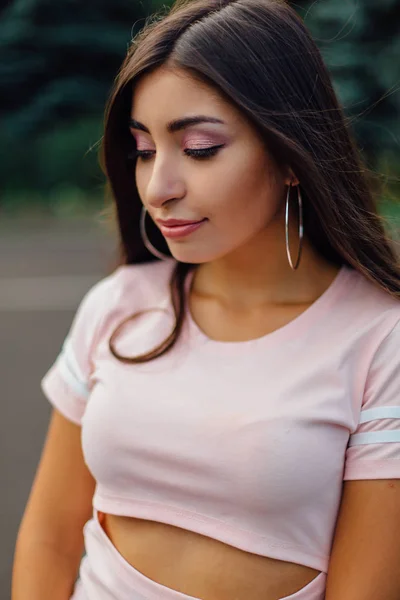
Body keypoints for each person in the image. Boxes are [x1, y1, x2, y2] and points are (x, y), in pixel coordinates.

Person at [12, 0, 400, 598]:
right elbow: (51, 537)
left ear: (291, 154)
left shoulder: (380, 338)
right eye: (143, 150)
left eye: (197, 148)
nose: (158, 188)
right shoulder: (119, 304)